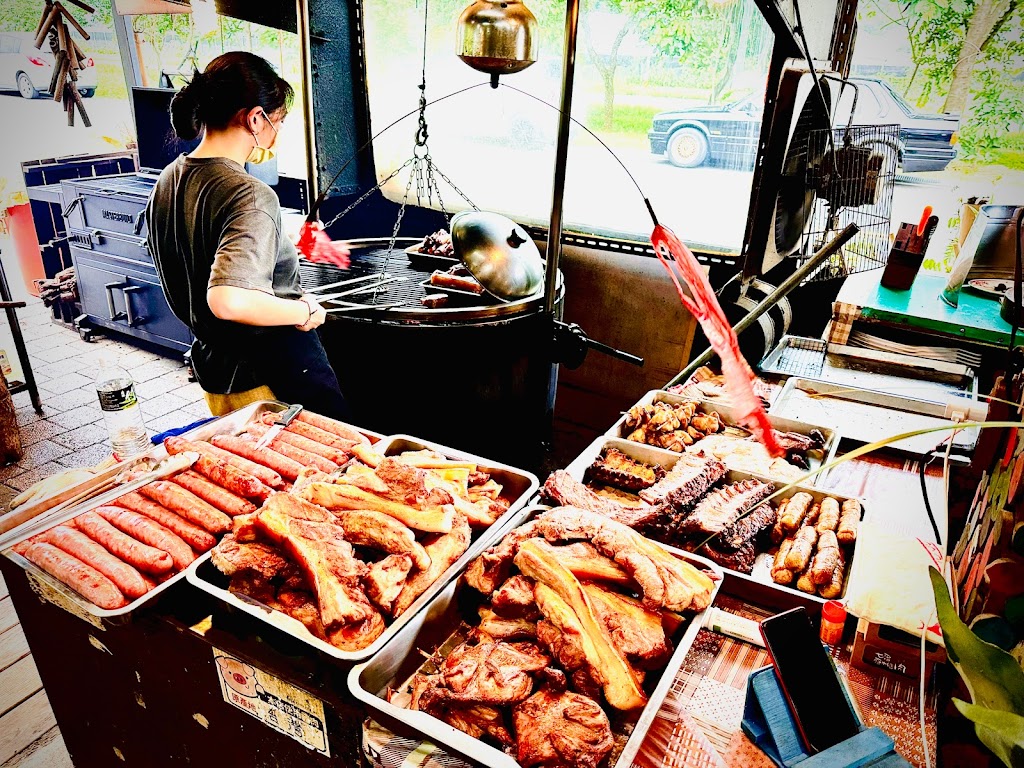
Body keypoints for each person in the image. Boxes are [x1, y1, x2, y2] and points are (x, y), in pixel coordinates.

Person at [146, 51, 349, 419]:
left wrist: (281, 239)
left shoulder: (170, 178)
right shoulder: (249, 193)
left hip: (216, 376)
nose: (278, 130)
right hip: (271, 379)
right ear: (256, 118)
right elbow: (229, 300)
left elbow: (205, 242)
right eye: (279, 119)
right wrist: (304, 309)